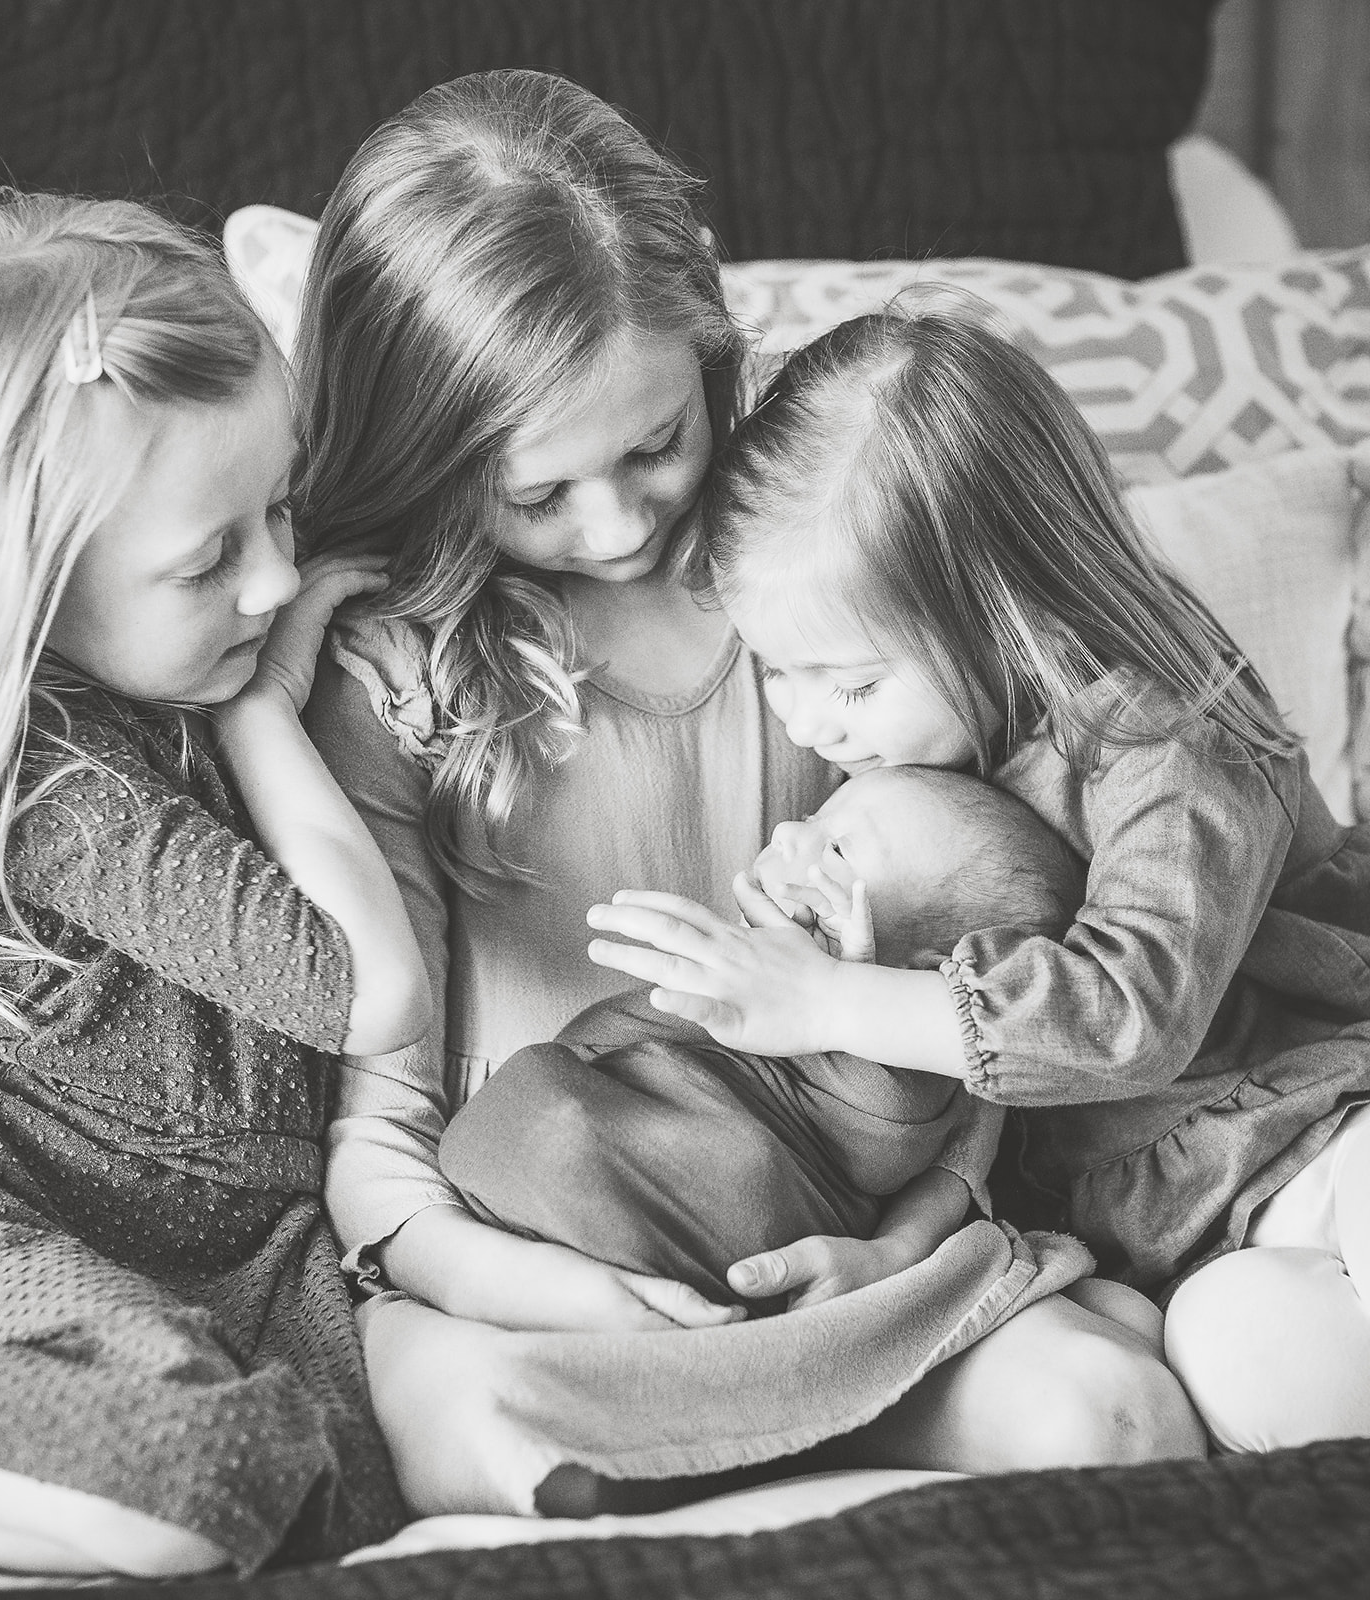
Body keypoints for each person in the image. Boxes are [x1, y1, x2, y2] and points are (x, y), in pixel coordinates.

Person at [297, 68, 1203, 1510]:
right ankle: (646, 1428)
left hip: (842, 1229)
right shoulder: (402, 676)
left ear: (710, 355)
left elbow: (980, 954)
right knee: (467, 1411)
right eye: (536, 492)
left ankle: (769, 1413)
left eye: (657, 443)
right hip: (542, 1247)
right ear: (421, 455)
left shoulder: (813, 595)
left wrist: (907, 1240)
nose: (618, 521)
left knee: (1116, 1414)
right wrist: (512, 1278)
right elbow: (379, 1103)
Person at [586, 289, 1370, 1455]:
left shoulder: (1163, 730)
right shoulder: (923, 762)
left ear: (1006, 613)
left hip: (1313, 1118)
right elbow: (975, 1088)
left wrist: (828, 1001)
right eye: (778, 675)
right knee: (1243, 1362)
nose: (811, 729)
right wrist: (905, 1245)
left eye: (848, 683)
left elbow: (1128, 1014)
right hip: (1185, 1240)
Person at [0, 193, 430, 1577]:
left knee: (323, 1496)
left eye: (281, 507)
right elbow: (371, 996)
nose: (277, 581)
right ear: (26, 586)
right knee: (206, 1477)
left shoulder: (190, 658)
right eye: (210, 560)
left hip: (230, 1265)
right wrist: (267, 717)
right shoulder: (64, 789)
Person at [438, 765, 1086, 1312]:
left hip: (740, 1197)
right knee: (543, 1109)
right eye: (815, 816)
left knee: (563, 1132)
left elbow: (885, 1146)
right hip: (605, 1142)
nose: (787, 830)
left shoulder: (905, 1068)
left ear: (921, 970)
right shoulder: (765, 960)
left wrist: (847, 987)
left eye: (837, 849)